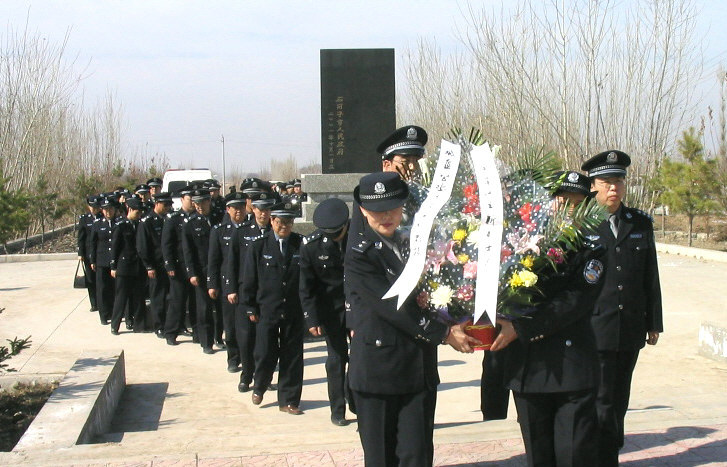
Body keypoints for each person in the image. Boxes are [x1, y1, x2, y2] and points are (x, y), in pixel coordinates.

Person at [345, 172, 479, 467]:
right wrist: (443, 334)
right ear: (364, 210)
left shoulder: (417, 244)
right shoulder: (360, 254)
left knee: (417, 456)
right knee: (381, 458)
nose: (387, 216)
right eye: (378, 210)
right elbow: (393, 306)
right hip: (378, 373)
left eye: (393, 207)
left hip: (417, 370)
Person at [489, 170, 604, 467]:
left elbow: (575, 301)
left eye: (576, 203)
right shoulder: (518, 242)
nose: (567, 209)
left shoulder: (593, 247)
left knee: (573, 456)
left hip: (571, 370)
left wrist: (522, 327)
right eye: (560, 201)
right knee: (538, 457)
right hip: (528, 369)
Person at [581, 150, 663, 467]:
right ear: (593, 186)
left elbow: (649, 277)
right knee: (600, 397)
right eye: (606, 182)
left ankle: (611, 446)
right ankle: (603, 456)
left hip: (629, 326)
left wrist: (653, 322)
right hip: (594, 326)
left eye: (618, 181)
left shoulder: (639, 223)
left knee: (619, 397)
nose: (614, 188)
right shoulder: (581, 223)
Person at [240, 201, 305, 415]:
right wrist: (249, 307)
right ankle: (259, 386)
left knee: (292, 356)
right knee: (265, 352)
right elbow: (249, 279)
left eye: (288, 222)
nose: (284, 226)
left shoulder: (300, 244)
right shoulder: (259, 246)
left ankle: (289, 400)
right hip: (267, 309)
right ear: (272, 221)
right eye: (279, 222)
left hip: (293, 309)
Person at [299, 198, 350, 426]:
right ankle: (337, 410)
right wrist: (312, 317)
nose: (333, 238)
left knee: (361, 359)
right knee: (336, 360)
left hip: (359, 308)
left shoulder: (360, 239)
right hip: (332, 311)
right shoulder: (312, 246)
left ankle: (358, 401)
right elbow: (307, 287)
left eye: (337, 233)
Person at [348, 125, 427, 255]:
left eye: (416, 160)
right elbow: (357, 244)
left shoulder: (425, 195)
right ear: (386, 165)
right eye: (405, 161)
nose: (412, 167)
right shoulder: (370, 197)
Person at [226, 190, 275, 392]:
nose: (263, 214)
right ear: (252, 209)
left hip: (267, 295)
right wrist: (231, 288)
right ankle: (246, 376)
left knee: (265, 341)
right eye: (259, 209)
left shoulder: (275, 232)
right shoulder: (242, 231)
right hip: (246, 293)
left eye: (267, 210)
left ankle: (263, 378)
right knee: (246, 338)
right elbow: (232, 261)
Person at [208, 191, 247, 372]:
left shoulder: (251, 229)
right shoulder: (219, 231)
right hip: (228, 284)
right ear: (228, 209)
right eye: (234, 208)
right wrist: (212, 284)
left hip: (248, 284)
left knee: (249, 327)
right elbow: (214, 260)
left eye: (241, 207)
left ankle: (250, 359)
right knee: (230, 326)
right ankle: (233, 358)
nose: (238, 211)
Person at [161, 184, 197, 346]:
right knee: (177, 301)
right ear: (182, 200)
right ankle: (171, 332)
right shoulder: (173, 219)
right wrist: (169, 266)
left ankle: (198, 332)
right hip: (179, 267)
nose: (193, 202)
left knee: (196, 302)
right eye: (190, 199)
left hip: (195, 267)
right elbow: (167, 245)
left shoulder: (198, 218)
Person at [183, 187, 216, 354]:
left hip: (219, 270)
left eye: (202, 202)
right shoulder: (190, 223)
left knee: (222, 307)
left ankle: (219, 337)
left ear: (208, 201)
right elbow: (187, 251)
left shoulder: (219, 217)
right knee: (204, 309)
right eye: (196, 203)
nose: (199, 206)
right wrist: (192, 273)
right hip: (202, 271)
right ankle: (206, 342)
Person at [138, 192, 173, 338]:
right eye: (165, 205)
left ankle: (172, 324)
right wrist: (149, 266)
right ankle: (159, 325)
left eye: (169, 205)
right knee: (158, 297)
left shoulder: (169, 219)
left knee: (171, 297)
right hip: (156, 266)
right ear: (157, 204)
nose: (167, 208)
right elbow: (142, 247)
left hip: (169, 265)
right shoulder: (147, 221)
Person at [109, 196, 146, 334]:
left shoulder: (140, 224)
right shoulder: (121, 225)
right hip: (124, 266)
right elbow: (114, 247)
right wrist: (113, 266)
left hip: (138, 266)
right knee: (121, 297)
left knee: (138, 297)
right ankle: (115, 325)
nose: (139, 214)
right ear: (129, 209)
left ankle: (139, 325)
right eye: (137, 212)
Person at [90, 195, 121, 325]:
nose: (108, 212)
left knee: (115, 288)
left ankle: (115, 312)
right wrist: (93, 260)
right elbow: (93, 243)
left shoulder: (119, 222)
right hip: (102, 261)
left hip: (116, 261)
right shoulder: (97, 224)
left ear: (114, 209)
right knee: (102, 289)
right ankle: (104, 314)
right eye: (105, 209)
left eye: (110, 209)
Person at [78, 195, 102, 312]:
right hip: (88, 253)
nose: (94, 209)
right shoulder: (84, 219)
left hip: (100, 252)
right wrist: (80, 253)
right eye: (92, 207)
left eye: (96, 207)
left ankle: (102, 301)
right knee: (90, 279)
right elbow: (81, 238)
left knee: (100, 279)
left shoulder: (102, 217)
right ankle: (94, 303)